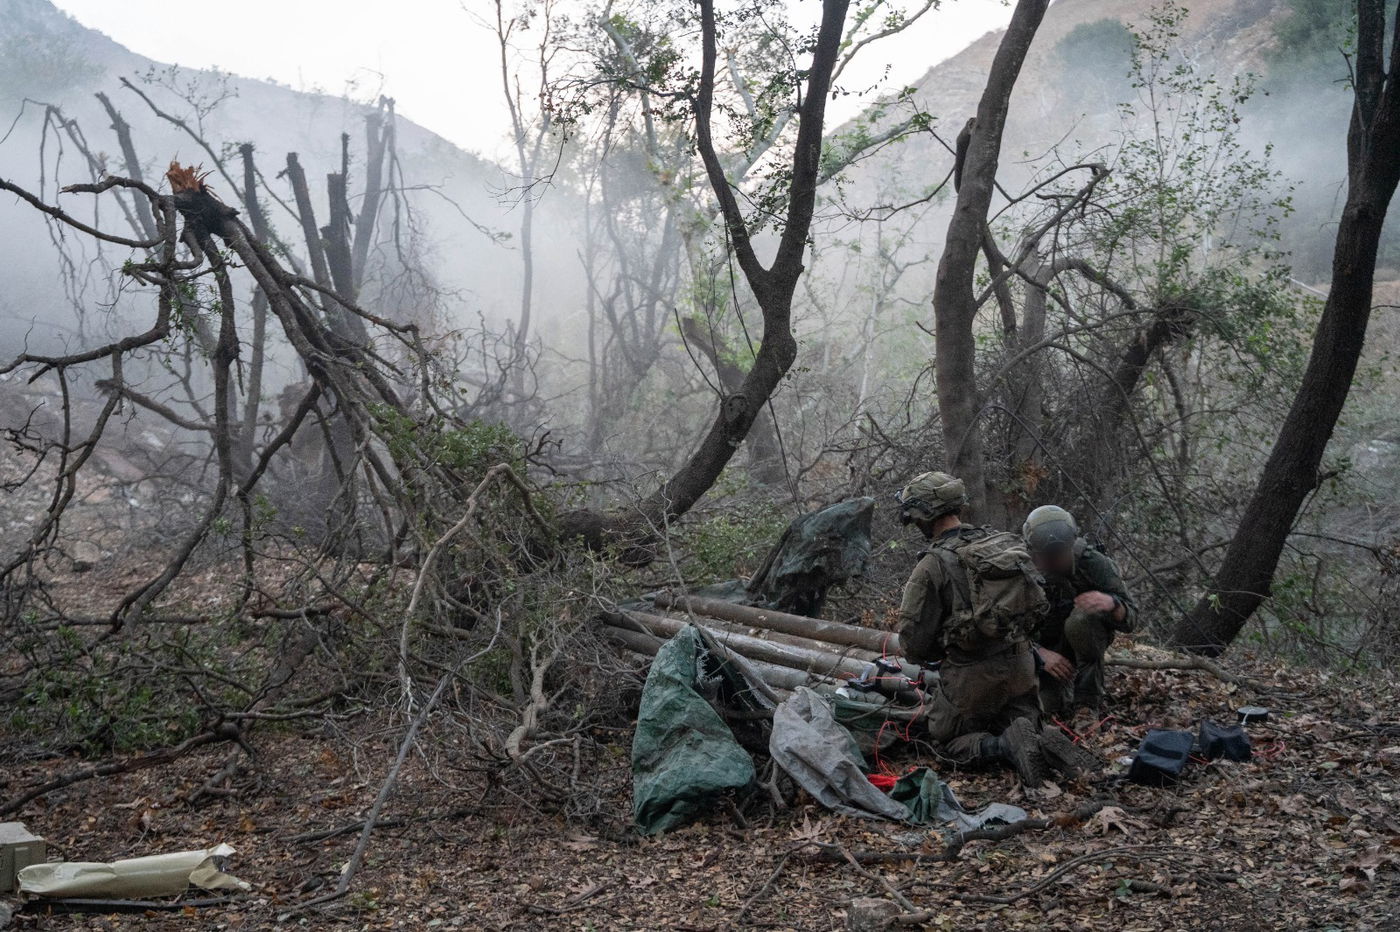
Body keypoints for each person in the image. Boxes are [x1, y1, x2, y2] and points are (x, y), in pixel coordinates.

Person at [894, 472, 1095, 785]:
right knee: (1020, 721)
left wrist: (946, 650)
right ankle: (1043, 738)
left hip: (973, 677)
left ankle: (1002, 746)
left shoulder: (931, 565)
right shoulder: (1002, 542)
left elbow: (913, 645)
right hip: (1022, 667)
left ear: (923, 515)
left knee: (945, 742)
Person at [1022, 505, 1136, 716]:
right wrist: (1038, 653)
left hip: (1075, 644)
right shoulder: (1018, 568)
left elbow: (1131, 619)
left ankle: (1086, 704)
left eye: (1059, 556)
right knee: (1036, 711)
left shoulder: (1092, 564)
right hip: (1032, 652)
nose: (1051, 563)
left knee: (1082, 620)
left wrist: (1112, 604)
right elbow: (999, 628)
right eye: (1045, 558)